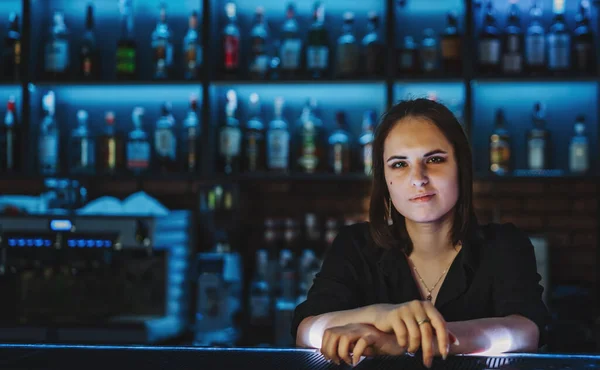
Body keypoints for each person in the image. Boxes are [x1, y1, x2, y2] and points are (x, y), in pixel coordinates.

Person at [291, 98, 549, 368]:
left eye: (435, 159)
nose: (418, 178)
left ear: (461, 167)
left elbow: (524, 331)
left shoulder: (504, 245)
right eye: (399, 164)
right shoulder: (355, 245)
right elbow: (306, 330)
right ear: (385, 180)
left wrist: (408, 342)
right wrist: (377, 316)